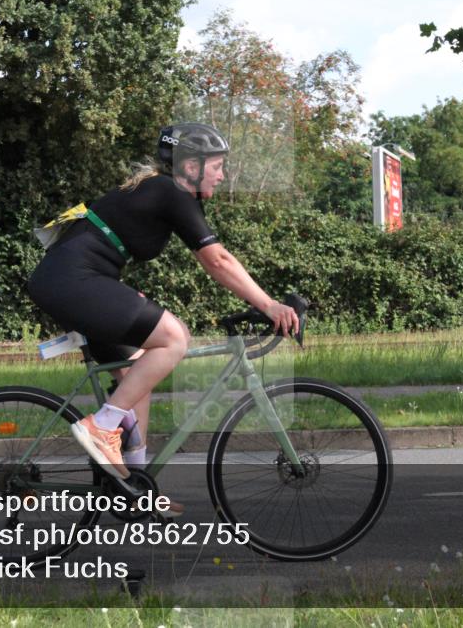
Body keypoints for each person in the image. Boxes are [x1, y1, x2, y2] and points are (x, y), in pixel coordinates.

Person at [26, 123, 300, 517]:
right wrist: (269, 304)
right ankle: (101, 426)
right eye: (218, 166)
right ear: (191, 165)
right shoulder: (172, 191)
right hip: (73, 281)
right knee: (174, 338)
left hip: (74, 280)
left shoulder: (164, 190)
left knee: (139, 369)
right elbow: (217, 260)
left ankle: (133, 486)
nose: (223, 176)